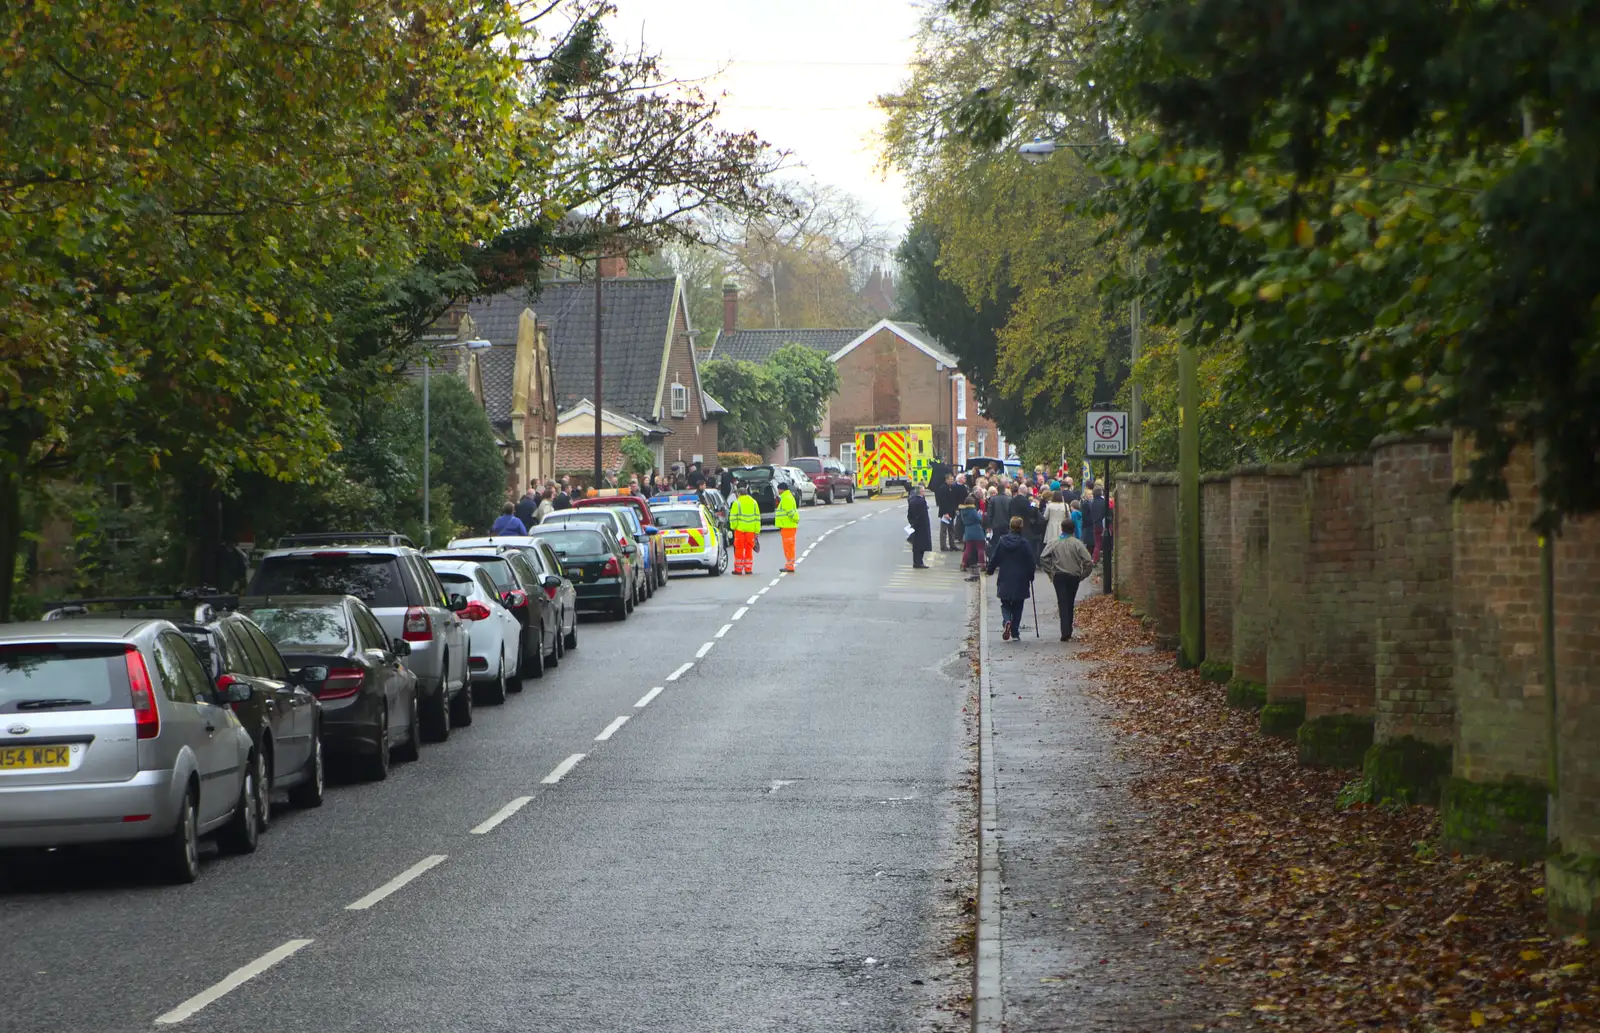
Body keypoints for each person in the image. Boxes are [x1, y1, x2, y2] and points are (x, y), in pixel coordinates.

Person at [986, 515, 1037, 642]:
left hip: (1005, 576)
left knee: (1005, 603)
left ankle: (1007, 620)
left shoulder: (1002, 541)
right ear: (1021, 527)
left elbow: (995, 557)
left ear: (1010, 526)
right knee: (1018, 605)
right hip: (1021, 578)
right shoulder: (1024, 543)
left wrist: (990, 570)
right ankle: (1015, 632)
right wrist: (1031, 575)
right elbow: (1031, 561)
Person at [1040, 524, 1095, 641]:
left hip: (1059, 576)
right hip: (1073, 576)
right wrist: (1083, 575)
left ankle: (1065, 630)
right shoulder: (1077, 543)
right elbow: (1088, 561)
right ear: (1073, 529)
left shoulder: (1054, 542)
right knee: (1070, 601)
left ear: (1061, 528)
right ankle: (1067, 629)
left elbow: (1043, 557)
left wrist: (1050, 572)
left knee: (1062, 601)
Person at [728, 482, 761, 575]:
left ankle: (738, 569)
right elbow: (757, 517)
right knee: (749, 549)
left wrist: (733, 527)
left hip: (740, 530)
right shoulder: (754, 502)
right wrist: (757, 531)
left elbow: (733, 517)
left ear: (738, 494)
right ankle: (748, 569)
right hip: (751, 530)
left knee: (739, 549)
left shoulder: (736, 503)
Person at [774, 480, 800, 573]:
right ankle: (789, 564)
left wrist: (795, 519)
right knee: (789, 546)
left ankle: (790, 565)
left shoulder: (786, 498)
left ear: (781, 489)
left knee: (788, 547)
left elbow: (790, 512)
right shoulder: (787, 497)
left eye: (778, 489)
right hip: (788, 526)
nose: (777, 491)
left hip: (788, 526)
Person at [959, 492, 986, 579]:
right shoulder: (973, 510)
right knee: (980, 548)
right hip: (976, 530)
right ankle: (982, 565)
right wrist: (980, 514)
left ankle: (963, 564)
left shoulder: (963, 511)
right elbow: (978, 519)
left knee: (968, 549)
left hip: (968, 531)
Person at [905, 484, 933, 568]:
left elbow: (909, 514)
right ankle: (918, 562)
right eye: (923, 490)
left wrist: (912, 523)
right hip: (922, 526)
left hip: (915, 526)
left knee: (916, 545)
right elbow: (923, 515)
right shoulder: (921, 501)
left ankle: (917, 561)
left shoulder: (912, 500)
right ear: (921, 491)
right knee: (922, 545)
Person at [936, 472, 960, 551]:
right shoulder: (943, 488)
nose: (951, 481)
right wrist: (945, 513)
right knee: (944, 530)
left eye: (952, 479)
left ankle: (952, 544)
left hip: (951, 512)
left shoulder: (952, 487)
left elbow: (954, 500)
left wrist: (955, 509)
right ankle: (943, 546)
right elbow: (942, 502)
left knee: (951, 529)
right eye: (950, 479)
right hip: (945, 513)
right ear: (946, 480)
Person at [1088, 486, 1109, 563]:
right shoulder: (1103, 502)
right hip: (1103, 524)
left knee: (1097, 542)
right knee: (1104, 542)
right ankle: (1101, 558)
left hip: (1095, 524)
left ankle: (1095, 558)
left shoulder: (1092, 503)